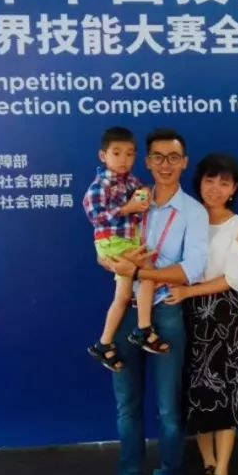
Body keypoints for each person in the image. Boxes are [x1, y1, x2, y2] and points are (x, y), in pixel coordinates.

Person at [92, 129, 209, 475]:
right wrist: (109, 261)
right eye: (157, 157)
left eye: (173, 157)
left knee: (168, 408)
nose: (165, 164)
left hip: (165, 313)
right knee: (127, 404)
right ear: (147, 161)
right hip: (126, 309)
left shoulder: (193, 211)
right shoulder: (130, 197)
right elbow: (104, 240)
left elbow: (192, 269)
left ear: (184, 162)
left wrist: (141, 272)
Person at [166, 153, 238, 475]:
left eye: (224, 182)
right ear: (198, 182)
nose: (215, 188)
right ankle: (207, 463)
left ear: (234, 189)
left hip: (223, 319)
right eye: (209, 180)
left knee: (226, 394)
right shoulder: (187, 219)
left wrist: (188, 291)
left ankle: (222, 470)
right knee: (197, 393)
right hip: (185, 316)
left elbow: (237, 279)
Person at [81, 127, 169, 372]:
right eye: (117, 153)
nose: (123, 159)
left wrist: (144, 198)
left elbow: (142, 203)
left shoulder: (132, 182)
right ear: (103, 156)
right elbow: (96, 216)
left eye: (129, 154)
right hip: (112, 242)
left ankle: (107, 342)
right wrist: (127, 209)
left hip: (129, 241)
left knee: (127, 292)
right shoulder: (100, 185)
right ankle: (140, 330)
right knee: (143, 274)